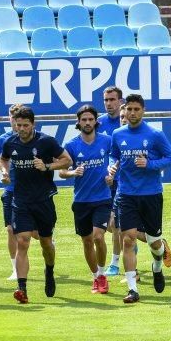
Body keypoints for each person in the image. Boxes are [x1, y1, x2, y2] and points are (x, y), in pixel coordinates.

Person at [0, 106, 72, 304]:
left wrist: (47, 166)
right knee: (22, 240)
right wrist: (5, 172)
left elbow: (67, 160)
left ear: (33, 124)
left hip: (43, 200)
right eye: (18, 124)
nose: (21, 129)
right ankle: (22, 288)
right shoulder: (9, 142)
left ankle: (49, 270)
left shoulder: (46, 142)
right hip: (20, 200)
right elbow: (3, 159)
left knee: (46, 243)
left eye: (25, 125)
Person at [110, 93, 171, 303]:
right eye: (129, 109)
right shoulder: (118, 134)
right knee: (128, 239)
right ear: (125, 110)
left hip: (151, 194)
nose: (132, 113)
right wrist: (112, 166)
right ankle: (132, 289)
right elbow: (114, 155)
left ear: (143, 111)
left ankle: (157, 267)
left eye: (136, 109)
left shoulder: (155, 135)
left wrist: (150, 165)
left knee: (154, 242)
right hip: (126, 194)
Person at [60, 104, 113, 295]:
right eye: (84, 120)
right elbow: (62, 171)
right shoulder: (71, 145)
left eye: (91, 119)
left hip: (102, 198)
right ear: (78, 122)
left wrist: (111, 174)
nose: (88, 122)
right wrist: (73, 172)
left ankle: (102, 274)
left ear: (96, 121)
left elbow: (116, 160)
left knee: (98, 236)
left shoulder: (107, 141)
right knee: (87, 241)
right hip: (81, 200)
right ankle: (95, 277)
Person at [98, 86, 125, 277]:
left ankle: (115, 264)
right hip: (107, 180)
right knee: (109, 225)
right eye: (106, 100)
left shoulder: (129, 122)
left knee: (117, 224)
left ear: (120, 101)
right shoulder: (99, 123)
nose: (109, 103)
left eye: (112, 99)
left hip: (127, 181)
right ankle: (154, 241)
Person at [0, 104, 21, 281]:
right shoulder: (3, 139)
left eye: (16, 117)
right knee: (11, 230)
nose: (13, 120)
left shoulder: (32, 138)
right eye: (11, 116)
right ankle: (15, 269)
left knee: (34, 232)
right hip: (10, 189)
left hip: (28, 190)